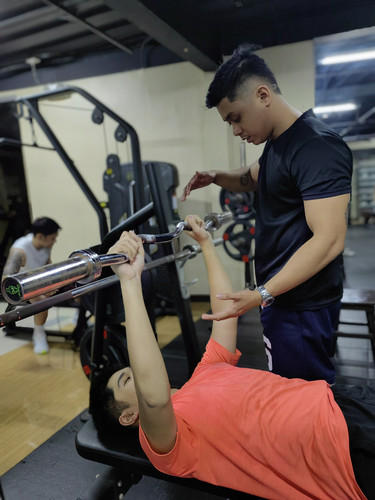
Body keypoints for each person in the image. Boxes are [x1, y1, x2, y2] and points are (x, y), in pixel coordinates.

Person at [90, 217, 374, 500]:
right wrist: (129, 281)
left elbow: (225, 314)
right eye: (129, 378)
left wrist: (205, 244)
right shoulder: (168, 445)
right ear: (128, 416)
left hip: (340, 401)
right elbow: (153, 397)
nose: (138, 375)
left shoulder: (204, 371)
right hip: (339, 453)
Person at [181, 46, 353, 384]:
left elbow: (329, 240)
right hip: (283, 300)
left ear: (263, 95)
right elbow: (252, 177)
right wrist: (216, 176)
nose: (235, 130)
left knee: (302, 403)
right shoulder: (278, 142)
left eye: (236, 118)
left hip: (302, 305)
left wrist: (262, 293)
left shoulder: (316, 147)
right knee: (288, 397)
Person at [1, 217, 61, 354]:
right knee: (42, 303)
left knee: (75, 283)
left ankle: (79, 321)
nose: (55, 241)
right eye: (52, 238)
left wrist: (52, 282)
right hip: (22, 285)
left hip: (39, 280)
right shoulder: (20, 251)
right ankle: (39, 335)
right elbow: (7, 280)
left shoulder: (44, 245)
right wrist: (41, 289)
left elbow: (47, 263)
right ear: (40, 236)